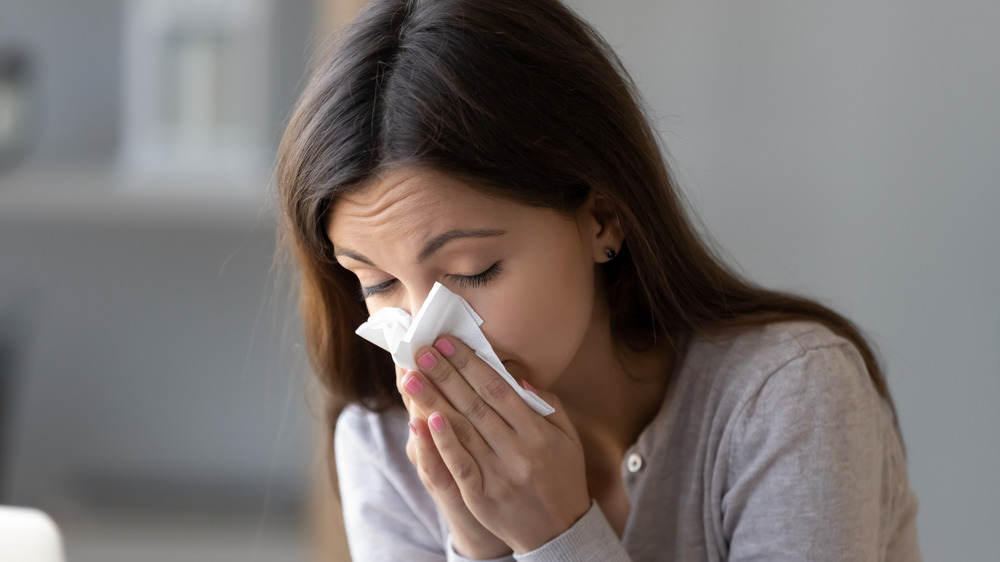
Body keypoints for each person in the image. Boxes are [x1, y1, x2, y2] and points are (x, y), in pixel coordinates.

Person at [275, 0, 922, 560]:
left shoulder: (784, 400)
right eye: (378, 284)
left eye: (475, 271)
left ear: (602, 219)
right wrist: (481, 546)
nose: (427, 338)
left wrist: (557, 536)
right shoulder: (385, 448)